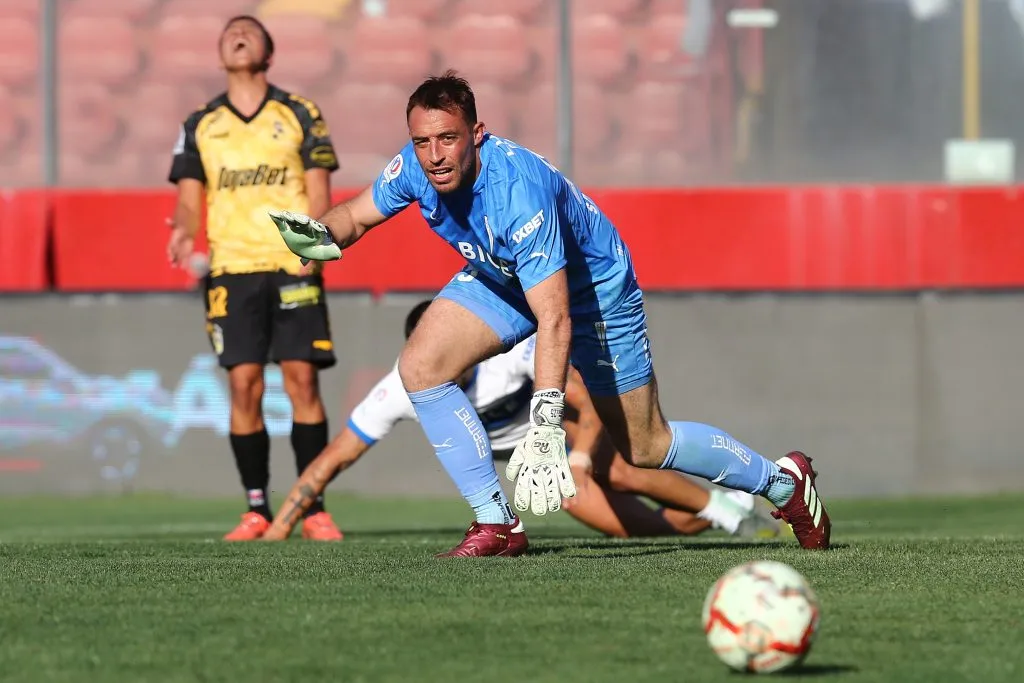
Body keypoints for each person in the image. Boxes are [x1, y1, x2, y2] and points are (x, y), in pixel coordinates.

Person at [269, 71, 831, 552]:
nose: (434, 155)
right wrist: (320, 235)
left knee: (644, 446)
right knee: (421, 367)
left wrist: (544, 424)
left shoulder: (517, 191)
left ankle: (782, 482)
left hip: (594, 291)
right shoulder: (416, 166)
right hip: (503, 275)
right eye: (422, 141)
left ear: (477, 135)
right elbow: (357, 217)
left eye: (447, 139)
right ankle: (496, 523)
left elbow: (555, 319)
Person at [260, 301, 781, 552]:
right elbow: (336, 457)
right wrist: (282, 524)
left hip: (574, 427)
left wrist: (579, 456)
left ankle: (727, 508)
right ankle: (725, 515)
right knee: (625, 529)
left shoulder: (504, 354)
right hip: (534, 455)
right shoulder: (403, 387)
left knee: (616, 470)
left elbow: (589, 400)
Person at [166, 15, 344, 541]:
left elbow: (318, 189)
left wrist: (314, 243)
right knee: (243, 386)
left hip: (290, 262)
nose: (237, 34)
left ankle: (312, 507)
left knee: (302, 379)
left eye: (249, 30)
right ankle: (257, 509)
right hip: (232, 270)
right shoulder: (200, 122)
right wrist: (182, 231)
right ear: (220, 53)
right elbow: (188, 197)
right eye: (228, 32)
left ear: (269, 51)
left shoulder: (299, 113)